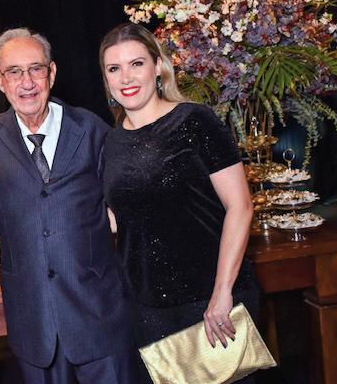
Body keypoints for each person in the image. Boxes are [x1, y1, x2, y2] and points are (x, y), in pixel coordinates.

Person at [0, 28, 139, 384]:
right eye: (14, 71)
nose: (26, 82)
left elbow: (128, 200)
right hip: (32, 321)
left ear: (52, 73)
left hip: (99, 315)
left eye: (36, 69)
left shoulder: (92, 129)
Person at [99, 22, 259, 382]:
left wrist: (222, 295)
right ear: (107, 79)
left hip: (208, 301)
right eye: (114, 68)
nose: (126, 76)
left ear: (158, 67)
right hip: (147, 306)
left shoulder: (194, 121)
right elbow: (118, 218)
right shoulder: (111, 142)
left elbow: (241, 207)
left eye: (136, 63)